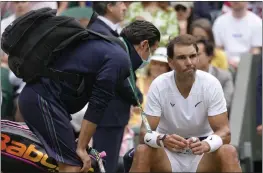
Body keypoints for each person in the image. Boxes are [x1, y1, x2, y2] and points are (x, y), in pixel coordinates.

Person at [18, 20, 161, 172]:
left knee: (70, 163)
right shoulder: (119, 58)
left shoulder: (110, 46)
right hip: (43, 100)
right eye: (152, 50)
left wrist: (83, 142)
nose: (149, 57)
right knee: (73, 165)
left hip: (45, 101)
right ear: (144, 44)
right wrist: (81, 147)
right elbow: (97, 105)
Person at [127, 34, 242, 172]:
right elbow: (145, 131)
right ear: (170, 62)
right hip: (167, 153)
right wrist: (163, 139)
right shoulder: (158, 84)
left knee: (229, 151)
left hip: (202, 154)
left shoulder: (211, 83)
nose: (189, 62)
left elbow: (225, 133)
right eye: (182, 58)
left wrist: (207, 144)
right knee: (142, 151)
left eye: (193, 56)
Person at [89, 2, 145, 172]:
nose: (125, 7)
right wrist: (136, 96)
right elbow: (117, 74)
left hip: (112, 112)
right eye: (121, 2)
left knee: (107, 164)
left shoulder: (110, 32)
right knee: (106, 166)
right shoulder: (100, 33)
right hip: (108, 111)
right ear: (109, 6)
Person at [196, 39, 234, 113]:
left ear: (209, 56)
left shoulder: (224, 77)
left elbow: (225, 104)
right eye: (191, 55)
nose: (193, 59)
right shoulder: (185, 76)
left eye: (198, 54)